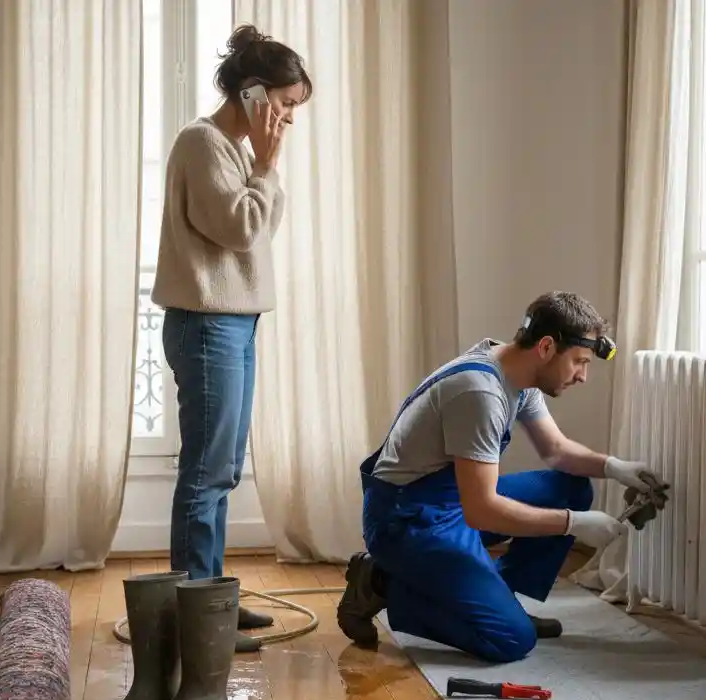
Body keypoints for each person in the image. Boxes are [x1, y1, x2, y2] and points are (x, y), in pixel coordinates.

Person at [336, 291, 660, 663]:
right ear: (546, 347)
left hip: (450, 501)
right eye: (579, 362)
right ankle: (381, 582)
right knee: (511, 639)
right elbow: (482, 512)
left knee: (570, 488)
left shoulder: (516, 373)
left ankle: (499, 596)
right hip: (406, 522)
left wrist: (616, 467)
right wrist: (573, 524)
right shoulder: (480, 393)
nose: (583, 376)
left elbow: (557, 450)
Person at [149, 24, 311, 637]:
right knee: (206, 470)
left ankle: (208, 599)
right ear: (253, 94)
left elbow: (259, 228)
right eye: (287, 104)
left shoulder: (236, 151)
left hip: (234, 324)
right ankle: (194, 612)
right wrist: (267, 167)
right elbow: (244, 229)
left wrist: (262, 168)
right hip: (208, 324)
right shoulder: (203, 143)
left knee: (223, 469)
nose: (289, 118)